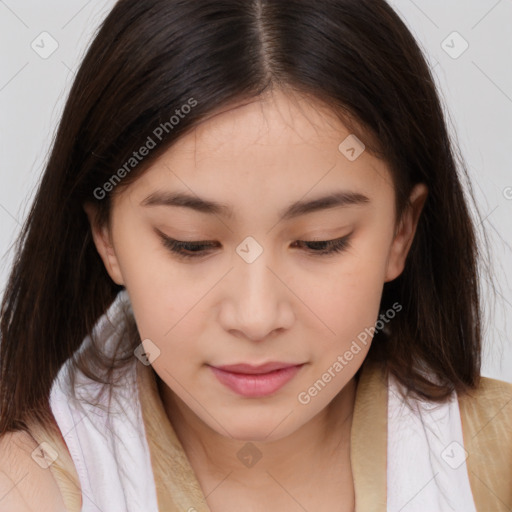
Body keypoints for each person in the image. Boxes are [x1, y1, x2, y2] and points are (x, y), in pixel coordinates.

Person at [0, 0, 510, 511]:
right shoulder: (26, 488)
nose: (257, 317)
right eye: (190, 243)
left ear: (402, 231)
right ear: (106, 238)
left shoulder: (497, 460)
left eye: (320, 241)